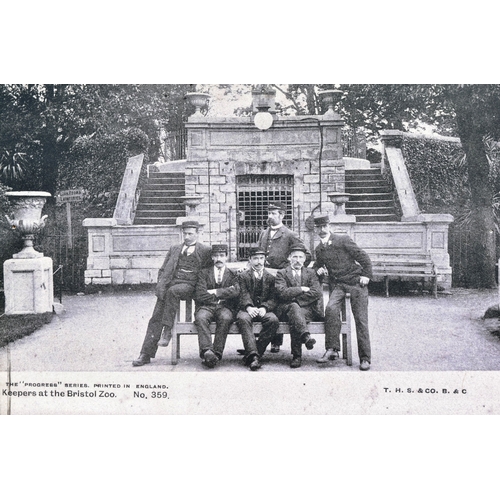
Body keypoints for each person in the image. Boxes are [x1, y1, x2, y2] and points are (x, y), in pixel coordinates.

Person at [132, 220, 212, 367]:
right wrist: (160, 286)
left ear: (197, 234)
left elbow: (209, 273)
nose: (187, 236)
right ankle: (145, 353)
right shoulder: (174, 249)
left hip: (192, 286)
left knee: (174, 292)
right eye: (185, 233)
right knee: (156, 316)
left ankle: (168, 331)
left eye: (190, 234)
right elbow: (163, 269)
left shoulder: (205, 250)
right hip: (172, 286)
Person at [313, 215, 373, 371]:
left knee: (360, 319)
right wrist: (318, 270)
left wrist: (366, 275)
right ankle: (332, 349)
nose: (321, 230)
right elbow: (317, 267)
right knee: (331, 310)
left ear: (329, 226)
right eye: (318, 227)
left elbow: (363, 257)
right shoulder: (319, 249)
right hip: (338, 285)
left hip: (356, 283)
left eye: (324, 226)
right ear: (315, 229)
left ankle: (365, 358)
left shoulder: (342, 239)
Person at [257, 201, 309, 353]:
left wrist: (288, 268)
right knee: (265, 306)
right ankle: (260, 340)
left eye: (274, 213)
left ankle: (276, 342)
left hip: (281, 278)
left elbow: (306, 254)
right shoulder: (263, 233)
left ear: (282, 215)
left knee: (280, 306)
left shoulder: (290, 234)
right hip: (265, 277)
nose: (270, 216)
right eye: (269, 213)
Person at [275, 244, 324, 368]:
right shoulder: (282, 273)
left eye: (300, 257)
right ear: (289, 258)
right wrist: (301, 289)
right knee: (294, 310)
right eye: (295, 257)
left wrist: (295, 299)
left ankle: (297, 356)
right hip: (285, 310)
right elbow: (281, 292)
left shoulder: (311, 273)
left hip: (307, 311)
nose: (298, 260)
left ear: (304, 259)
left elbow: (316, 292)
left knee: (296, 313)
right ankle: (305, 337)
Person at [194, 244, 240, 368]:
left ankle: (217, 353)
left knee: (225, 318)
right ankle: (207, 351)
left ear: (226, 257)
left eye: (221, 255)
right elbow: (200, 294)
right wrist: (223, 295)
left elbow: (236, 291)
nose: (219, 258)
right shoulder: (203, 273)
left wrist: (214, 292)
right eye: (216, 256)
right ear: (212, 257)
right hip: (206, 307)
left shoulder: (233, 274)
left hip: (225, 308)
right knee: (201, 318)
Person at [236, 247, 279, 371]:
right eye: (255, 258)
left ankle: (254, 353)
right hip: (247, 310)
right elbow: (242, 294)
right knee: (243, 319)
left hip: (263, 310)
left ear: (265, 259)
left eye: (261, 258)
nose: (259, 262)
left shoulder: (271, 278)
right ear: (249, 260)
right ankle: (254, 356)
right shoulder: (243, 276)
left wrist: (265, 308)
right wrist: (249, 307)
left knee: (273, 320)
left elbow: (273, 298)